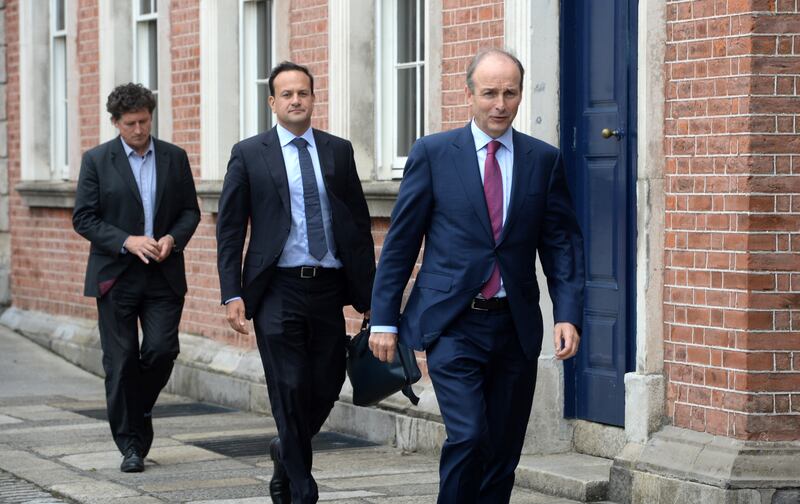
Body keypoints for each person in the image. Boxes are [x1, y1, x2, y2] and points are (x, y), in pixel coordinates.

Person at [369, 48, 585, 503]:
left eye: (509, 93)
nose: (499, 104)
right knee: (467, 435)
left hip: (514, 325)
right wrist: (385, 318)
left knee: (503, 451)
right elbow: (402, 243)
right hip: (453, 323)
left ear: (521, 95)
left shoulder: (542, 160)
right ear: (468, 94)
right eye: (489, 93)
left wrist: (568, 314)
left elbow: (562, 244)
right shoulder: (433, 154)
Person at [216, 61, 375, 504]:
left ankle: (285, 449)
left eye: (302, 93)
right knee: (287, 385)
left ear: (312, 97)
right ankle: (303, 490)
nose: (295, 100)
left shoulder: (338, 151)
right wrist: (233, 292)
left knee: (326, 382)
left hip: (328, 286)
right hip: (277, 288)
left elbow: (358, 226)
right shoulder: (249, 153)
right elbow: (230, 229)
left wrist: (370, 296)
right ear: (272, 102)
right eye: (286, 94)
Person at [73, 83, 201, 473]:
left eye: (145, 121)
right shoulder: (97, 160)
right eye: (131, 123)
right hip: (116, 276)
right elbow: (84, 218)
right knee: (121, 359)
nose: (140, 130)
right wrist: (127, 241)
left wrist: (172, 239)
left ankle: (139, 407)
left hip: (163, 275)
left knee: (162, 350)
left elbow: (189, 212)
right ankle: (131, 445)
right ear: (116, 123)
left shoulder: (174, 158)